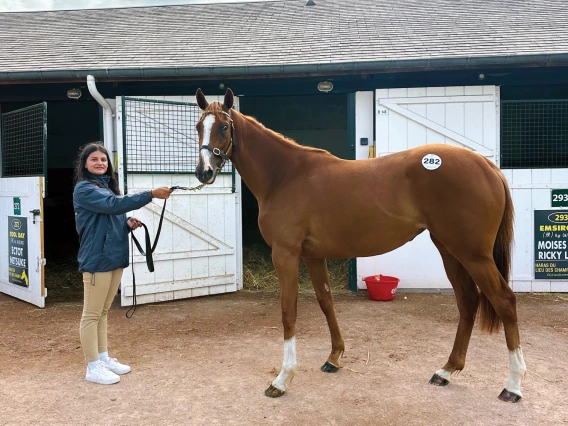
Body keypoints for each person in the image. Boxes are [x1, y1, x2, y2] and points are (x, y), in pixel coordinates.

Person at [73, 142, 171, 385]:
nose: (100, 163)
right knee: (92, 314)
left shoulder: (106, 188)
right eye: (94, 159)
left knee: (103, 312)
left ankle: (103, 358)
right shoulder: (84, 189)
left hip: (114, 257)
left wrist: (125, 225)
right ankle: (92, 366)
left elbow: (109, 215)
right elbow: (113, 206)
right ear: (85, 164)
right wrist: (150, 195)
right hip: (97, 259)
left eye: (103, 160)